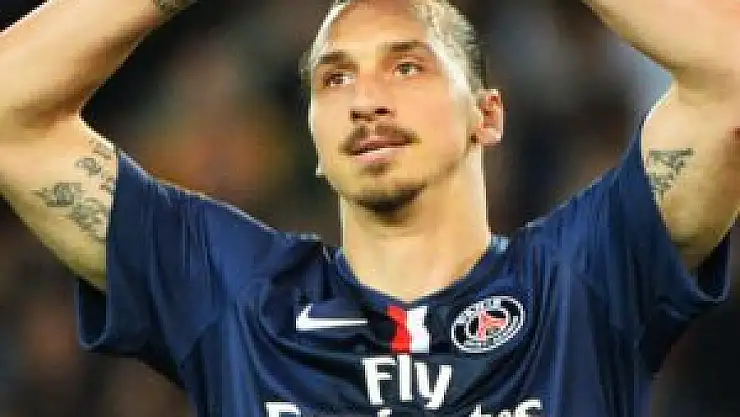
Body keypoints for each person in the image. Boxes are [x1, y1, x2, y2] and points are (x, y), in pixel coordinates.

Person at [0, 0, 738, 415]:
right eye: (334, 79)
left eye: (406, 66)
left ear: (487, 115)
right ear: (314, 137)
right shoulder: (235, 293)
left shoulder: (582, 281)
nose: (366, 100)